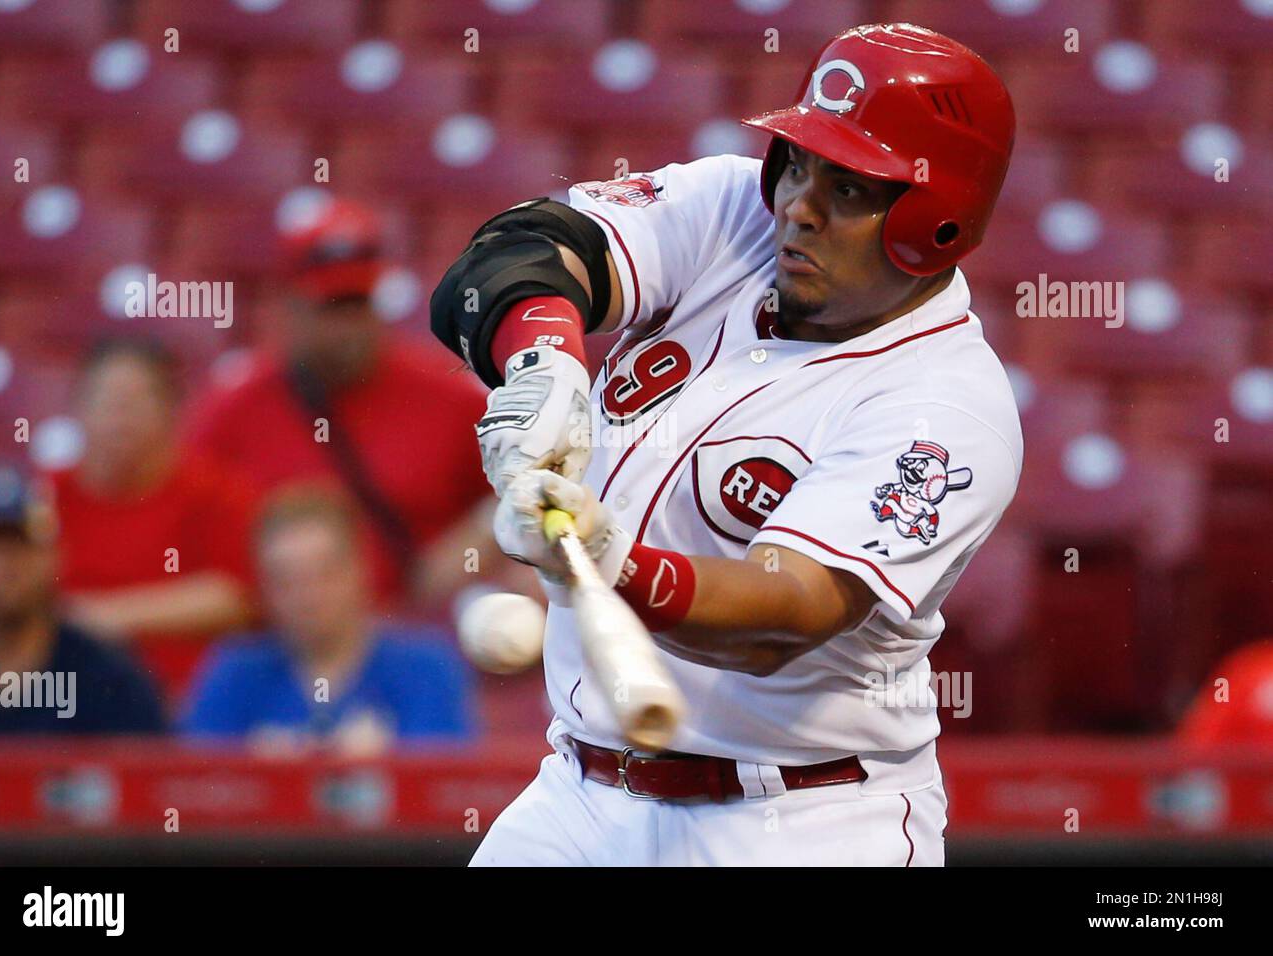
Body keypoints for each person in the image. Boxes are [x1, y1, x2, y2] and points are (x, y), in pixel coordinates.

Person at [431, 24, 1020, 865]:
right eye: (798, 161)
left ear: (939, 222)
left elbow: (785, 616)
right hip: (579, 793)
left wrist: (610, 560)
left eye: (848, 188)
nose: (796, 207)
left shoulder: (948, 405)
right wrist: (545, 361)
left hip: (801, 817)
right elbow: (515, 251)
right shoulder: (730, 211)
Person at [183, 197, 500, 614]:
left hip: (418, 639)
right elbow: (184, 523)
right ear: (289, 305)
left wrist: (473, 542)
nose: (347, 327)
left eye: (358, 304)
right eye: (331, 308)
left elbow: (520, 491)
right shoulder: (233, 407)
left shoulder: (450, 395)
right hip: (277, 645)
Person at [181, 488, 474, 751]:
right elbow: (198, 783)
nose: (309, 595)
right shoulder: (233, 673)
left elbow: (439, 783)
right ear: (262, 587)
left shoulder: (425, 666)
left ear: (361, 571)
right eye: (286, 580)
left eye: (326, 573)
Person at [48, 337, 256, 699]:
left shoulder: (216, 494)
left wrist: (99, 618)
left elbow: (239, 596)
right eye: (106, 401)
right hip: (61, 703)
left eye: (135, 402)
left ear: (172, 411)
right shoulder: (44, 497)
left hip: (185, 701)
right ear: (77, 409)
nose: (120, 418)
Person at [0, 464, 165, 735]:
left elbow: (149, 771)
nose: (7, 564)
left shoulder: (108, 676)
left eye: (23, 546)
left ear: (56, 558)